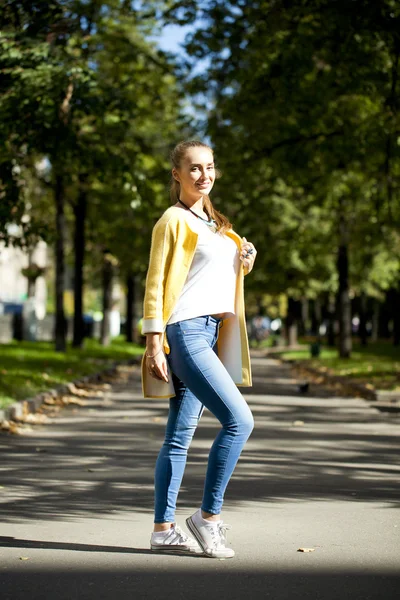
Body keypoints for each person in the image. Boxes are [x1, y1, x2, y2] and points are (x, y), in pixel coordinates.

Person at [141, 140, 257, 559]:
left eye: (209, 167)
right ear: (177, 174)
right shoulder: (172, 220)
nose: (203, 175)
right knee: (239, 421)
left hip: (210, 332)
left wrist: (245, 257)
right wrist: (154, 342)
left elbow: (218, 271)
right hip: (186, 333)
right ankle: (207, 520)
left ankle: (162, 530)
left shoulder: (215, 223)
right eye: (193, 168)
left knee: (178, 437)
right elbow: (156, 283)